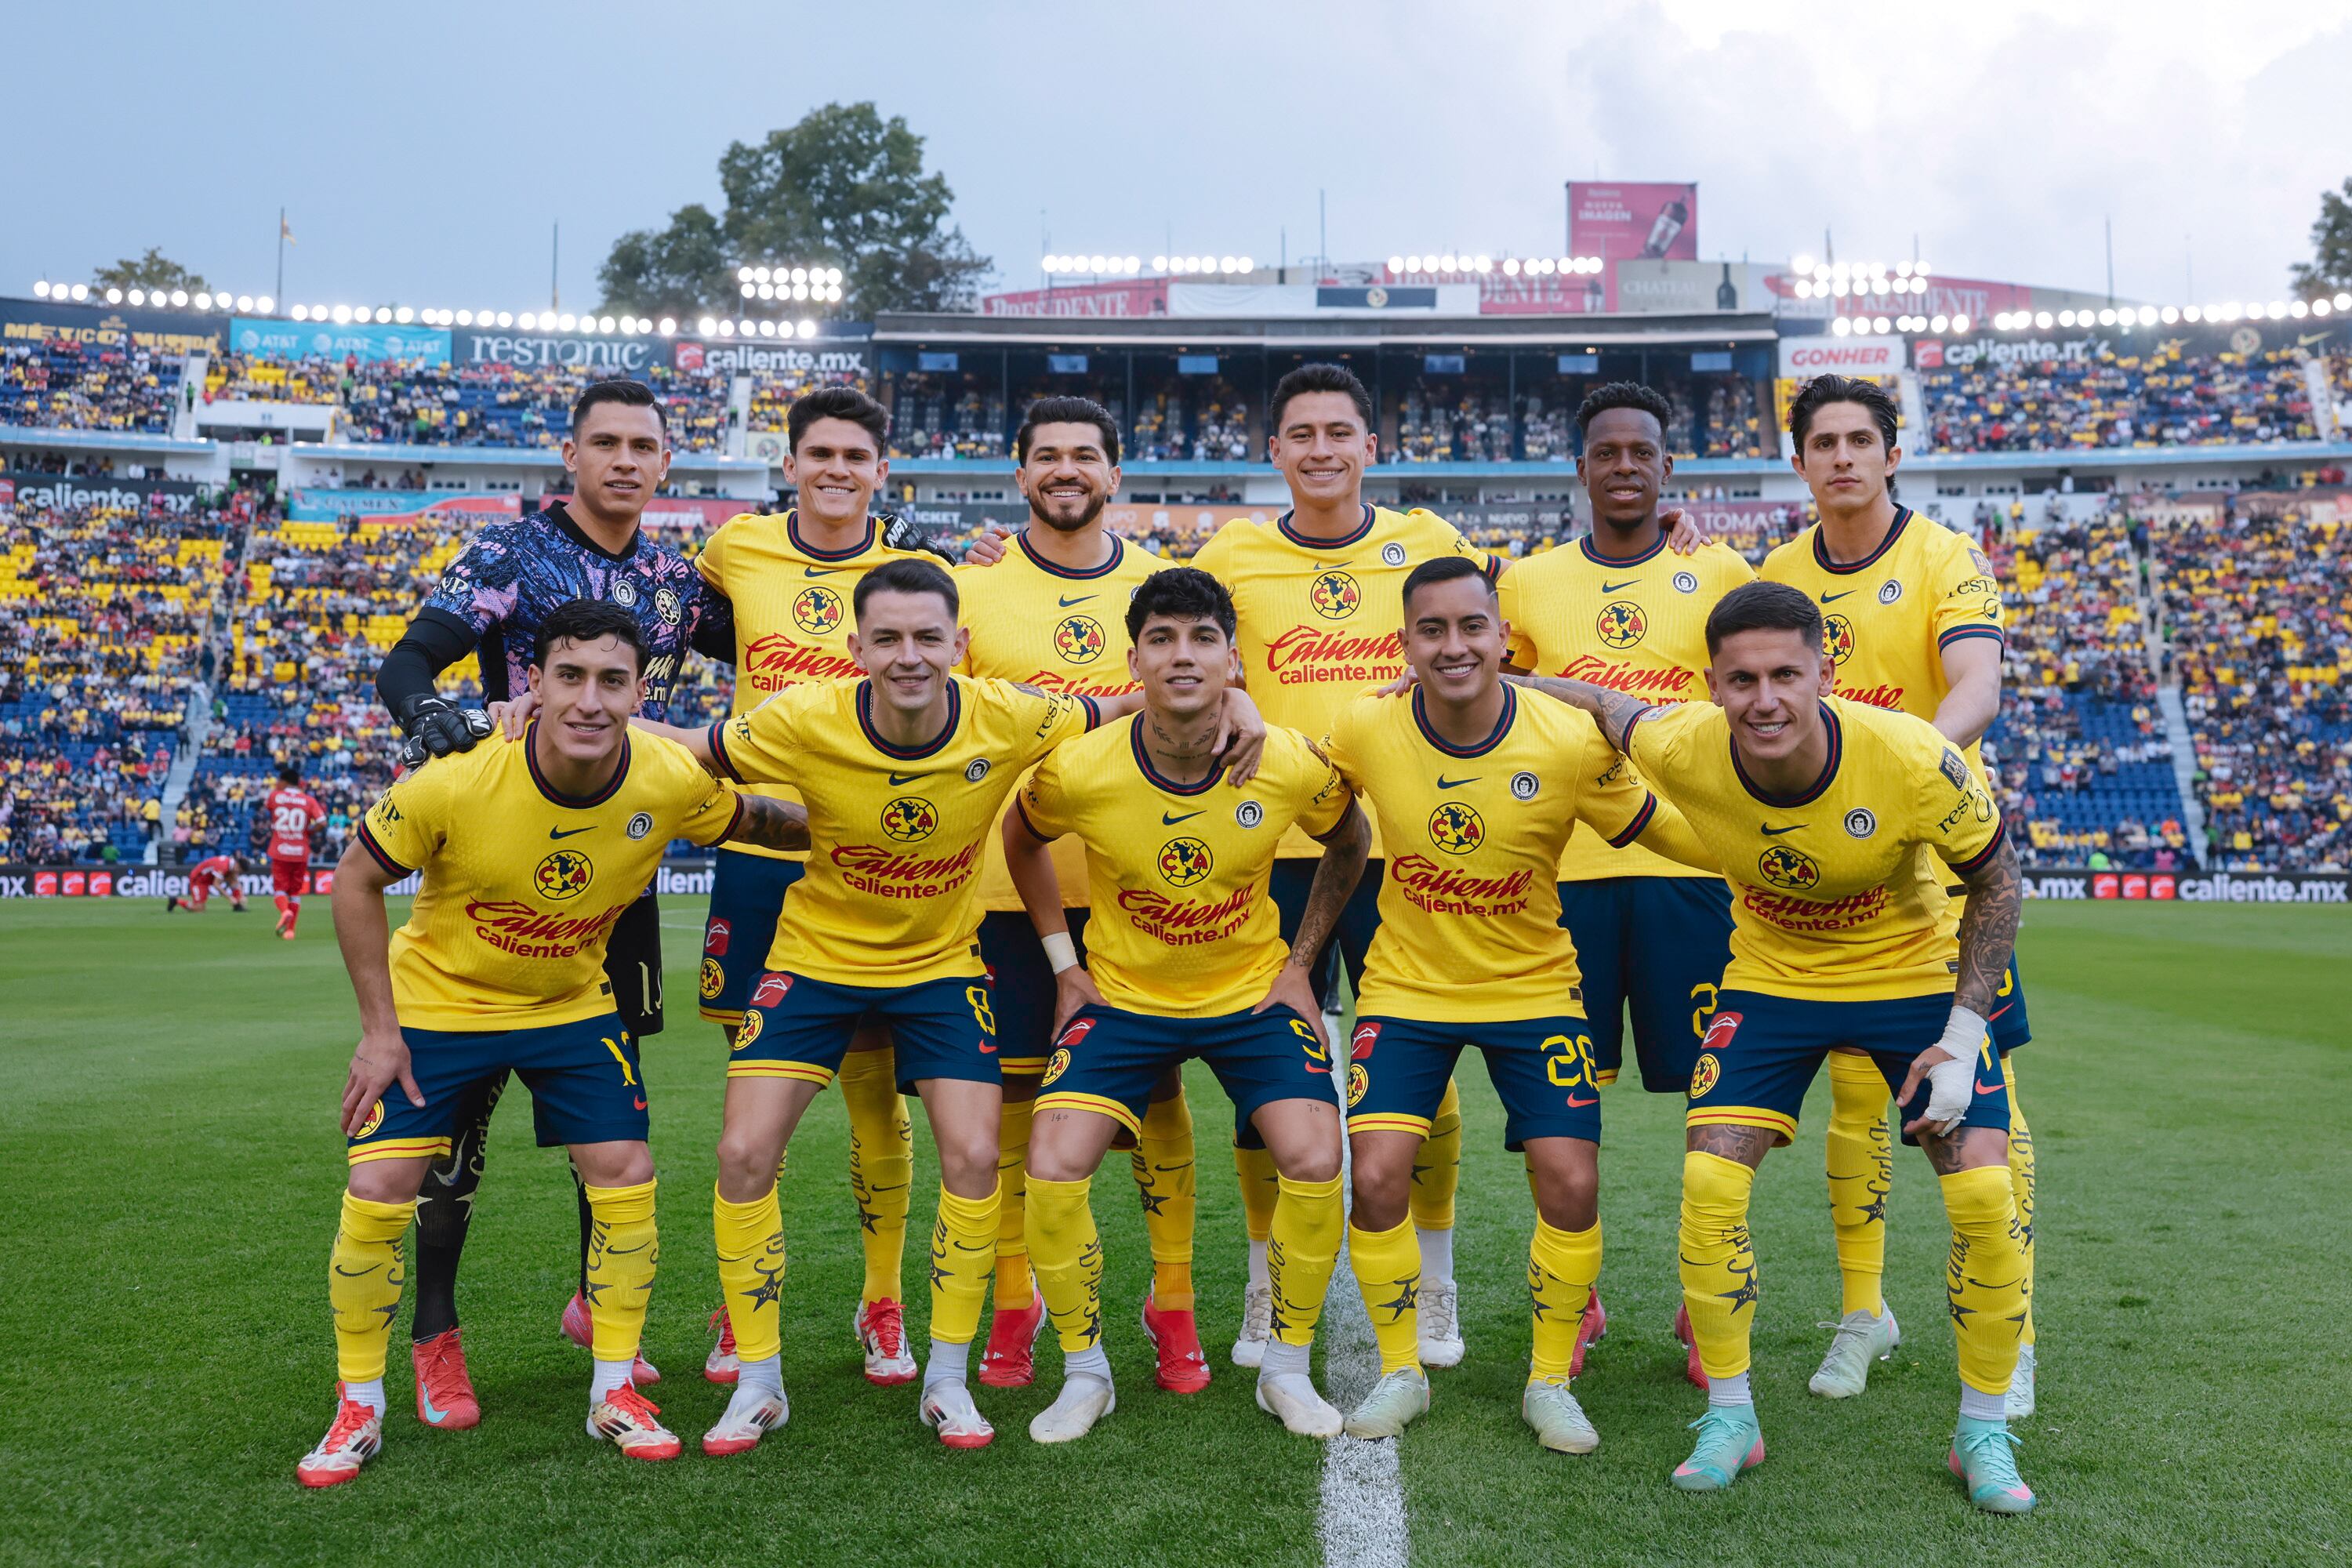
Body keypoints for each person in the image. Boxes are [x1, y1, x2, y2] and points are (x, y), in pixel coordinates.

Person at [626, 559, 1262, 1454]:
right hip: (815, 960)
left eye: (928, 637)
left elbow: (1129, 705)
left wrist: (1241, 703)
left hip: (938, 966)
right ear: (856, 648)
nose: (909, 655)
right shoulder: (804, 716)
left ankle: (947, 1379)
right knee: (741, 1150)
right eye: (887, 638)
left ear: (960, 645)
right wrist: (571, 712)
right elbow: (693, 744)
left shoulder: (1008, 712)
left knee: (972, 1154)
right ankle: (759, 1383)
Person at [1523, 581, 2036, 1514]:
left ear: (1825, 675)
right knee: (1711, 1184)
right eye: (1742, 678)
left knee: (1985, 1193)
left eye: (1786, 675)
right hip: (1771, 979)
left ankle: (1984, 1430)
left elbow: (1999, 884)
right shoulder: (1682, 742)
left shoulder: (1914, 758)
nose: (1764, 698)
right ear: (1712, 683)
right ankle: (1731, 1415)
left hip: (1909, 977)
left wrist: (1964, 1035)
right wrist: (1465, 681)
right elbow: (1600, 700)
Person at [296, 601, 812, 1487]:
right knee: (379, 1181)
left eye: (613, 680)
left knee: (624, 1165)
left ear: (639, 692)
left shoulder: (665, 778)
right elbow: (356, 874)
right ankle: (359, 1402)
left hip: (570, 1002)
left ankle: (615, 1386)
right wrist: (381, 1030)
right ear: (531, 682)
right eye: (569, 676)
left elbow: (763, 821)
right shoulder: (456, 776)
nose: (589, 700)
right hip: (440, 1003)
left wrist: (878, 808)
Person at [372, 377, 733, 1417]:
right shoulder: (511, 557)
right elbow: (410, 662)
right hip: (494, 876)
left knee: (608, 1118)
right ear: (570, 455)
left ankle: (593, 1304)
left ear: (668, 464)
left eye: (644, 446)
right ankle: (436, 1332)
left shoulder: (674, 580)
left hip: (615, 882)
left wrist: (915, 552)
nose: (625, 460)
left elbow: (792, 617)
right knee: (458, 1127)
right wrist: (434, 721)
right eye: (605, 443)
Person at [1327, 556, 1712, 1449]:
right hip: (1407, 986)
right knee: (1378, 1175)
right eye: (1433, 629)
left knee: (1572, 1179)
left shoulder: (1567, 738)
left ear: (1504, 636)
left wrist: (1769, 848)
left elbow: (1665, 828)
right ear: (1405, 644)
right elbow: (1293, 785)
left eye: (1472, 626)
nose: (1454, 644)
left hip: (1534, 986)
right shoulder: (1365, 726)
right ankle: (1401, 1368)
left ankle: (1548, 1379)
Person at [1004, 567, 1368, 1442]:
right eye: (1162, 637)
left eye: (1202, 637)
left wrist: (1304, 963)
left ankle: (1284, 1365)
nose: (1182, 654)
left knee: (1316, 1158)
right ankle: (1085, 1371)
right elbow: (1021, 836)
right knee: (1052, 1165)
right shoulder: (1082, 765)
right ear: (1133, 657)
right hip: (1124, 998)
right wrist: (1064, 963)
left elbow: (1349, 837)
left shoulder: (1285, 761)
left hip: (1250, 994)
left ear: (1233, 660)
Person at [1757, 375, 2038, 1416]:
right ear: (1800, 462)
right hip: (1827, 867)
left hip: (1942, 856)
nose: (1840, 457)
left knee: (1980, 1099)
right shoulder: (1781, 571)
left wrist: (1901, 779)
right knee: (1855, 1094)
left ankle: (2013, 1331)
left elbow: (1976, 688)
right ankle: (1864, 1312)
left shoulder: (1942, 557)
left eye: (1858, 440)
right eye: (1821, 442)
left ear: (1890, 455)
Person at [689, 385, 947, 1390]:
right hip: (761, 845)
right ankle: (737, 1303)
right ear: (789, 462)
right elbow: (664, 622)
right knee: (757, 1092)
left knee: (877, 1091)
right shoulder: (737, 548)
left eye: (856, 456)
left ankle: (881, 1301)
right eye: (819, 453)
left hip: (874, 846)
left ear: (881, 470)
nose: (838, 469)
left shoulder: (909, 566)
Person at [1496, 382, 1754, 1382]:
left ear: (1667, 468)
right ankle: (1583, 1292)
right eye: (1605, 451)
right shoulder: (1526, 582)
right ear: (1581, 468)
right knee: (1567, 1098)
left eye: (1641, 451)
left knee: (1714, 1089)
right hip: (1564, 868)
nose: (1624, 467)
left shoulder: (1718, 570)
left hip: (1693, 864)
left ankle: (1706, 1294)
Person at [950, 397, 1205, 1394]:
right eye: (1046, 456)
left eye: (1085, 455)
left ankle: (1173, 1300)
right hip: (1010, 892)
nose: (1066, 469)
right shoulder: (972, 586)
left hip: (1148, 888)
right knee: (1016, 1095)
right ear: (1020, 475)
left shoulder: (1162, 587)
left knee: (1159, 1089)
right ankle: (1018, 1301)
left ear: (1114, 473)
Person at [265, 762, 326, 940]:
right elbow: (322, 822)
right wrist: (308, 831)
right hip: (300, 850)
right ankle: (290, 931)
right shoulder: (309, 800)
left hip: (280, 849)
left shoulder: (275, 797)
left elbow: (271, 812)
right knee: (295, 892)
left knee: (279, 889)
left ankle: (284, 912)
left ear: (284, 782)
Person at [166, 851, 245, 913]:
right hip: (199, 879)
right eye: (239, 870)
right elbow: (216, 884)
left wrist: (241, 894)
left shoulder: (231, 865)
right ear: (237, 865)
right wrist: (230, 898)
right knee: (199, 909)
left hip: (209, 878)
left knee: (233, 879)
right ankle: (176, 901)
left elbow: (235, 880)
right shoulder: (223, 865)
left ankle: (238, 905)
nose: (238, 873)